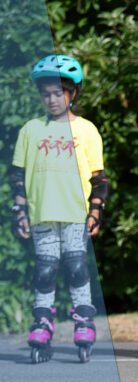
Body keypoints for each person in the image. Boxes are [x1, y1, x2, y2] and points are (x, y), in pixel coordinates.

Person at [12, 54, 106, 363]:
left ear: (73, 93)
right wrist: (20, 212)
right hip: (43, 214)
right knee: (46, 270)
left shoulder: (87, 130)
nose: (51, 99)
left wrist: (95, 212)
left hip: (75, 214)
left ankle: (83, 318)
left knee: (77, 266)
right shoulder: (30, 130)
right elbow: (17, 176)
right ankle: (42, 320)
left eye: (58, 93)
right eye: (45, 94)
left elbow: (98, 178)